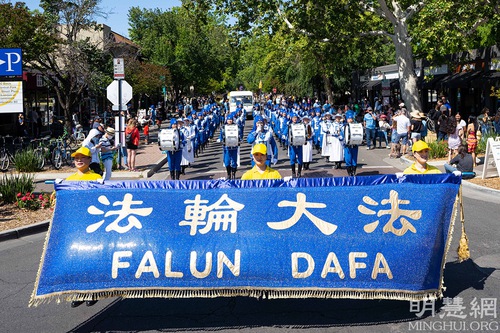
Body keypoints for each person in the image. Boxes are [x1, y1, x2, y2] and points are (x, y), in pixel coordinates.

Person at [65, 146, 101, 308]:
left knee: (90, 259)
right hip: (75, 227)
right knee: (76, 260)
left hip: (91, 225)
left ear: (89, 160)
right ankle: (78, 293)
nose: (79, 160)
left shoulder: (96, 177)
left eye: (82, 158)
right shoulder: (68, 180)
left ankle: (92, 292)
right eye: (76, 158)